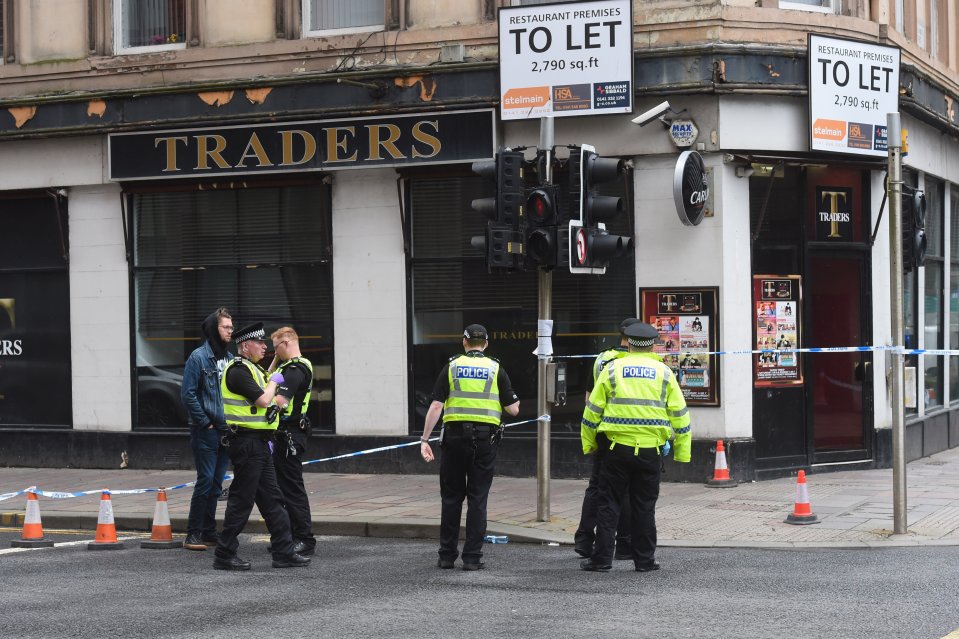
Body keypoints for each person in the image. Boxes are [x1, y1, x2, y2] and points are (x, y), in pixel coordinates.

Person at [580, 322, 691, 573]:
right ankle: (644, 561)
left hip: (615, 450)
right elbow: (680, 415)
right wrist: (683, 452)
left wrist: (589, 444)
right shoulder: (664, 373)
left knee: (609, 504)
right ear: (653, 344)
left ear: (627, 342)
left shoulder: (612, 369)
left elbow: (592, 412)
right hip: (650, 452)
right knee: (644, 506)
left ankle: (601, 560)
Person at [419, 324, 519, 571]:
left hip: (453, 440)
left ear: (464, 342)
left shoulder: (452, 366)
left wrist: (424, 440)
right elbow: (513, 409)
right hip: (484, 442)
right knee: (478, 499)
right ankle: (472, 558)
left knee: (451, 498)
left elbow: (435, 406)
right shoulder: (496, 368)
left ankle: (446, 556)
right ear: (485, 344)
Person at [213, 322, 310, 571]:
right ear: (246, 346)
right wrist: (276, 379)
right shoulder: (237, 371)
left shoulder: (252, 369)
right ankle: (224, 553)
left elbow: (268, 383)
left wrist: (274, 373)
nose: (265, 347)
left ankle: (284, 552)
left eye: (268, 344)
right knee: (242, 500)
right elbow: (265, 400)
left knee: (272, 500)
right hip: (246, 443)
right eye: (260, 343)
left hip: (259, 444)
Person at [573, 318, 638, 561]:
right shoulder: (635, 361)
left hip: (601, 431)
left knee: (596, 487)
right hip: (626, 433)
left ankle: (584, 539)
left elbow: (589, 400)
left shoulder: (601, 358)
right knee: (626, 490)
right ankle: (623, 544)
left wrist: (590, 434)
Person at [180, 307, 233, 551]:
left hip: (225, 431)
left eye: (231, 327)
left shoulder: (229, 358)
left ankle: (209, 532)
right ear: (214, 328)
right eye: (226, 327)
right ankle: (193, 533)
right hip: (206, 431)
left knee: (215, 484)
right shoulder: (198, 357)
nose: (230, 331)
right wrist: (205, 421)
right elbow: (188, 394)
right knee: (205, 481)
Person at [267, 326, 316, 557]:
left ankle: (304, 539)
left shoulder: (296, 369)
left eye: (276, 348)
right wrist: (276, 360)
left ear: (286, 343)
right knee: (281, 488)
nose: (273, 353)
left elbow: (279, 400)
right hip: (284, 436)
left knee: (292, 489)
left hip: (291, 435)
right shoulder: (286, 367)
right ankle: (288, 538)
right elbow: (268, 380)